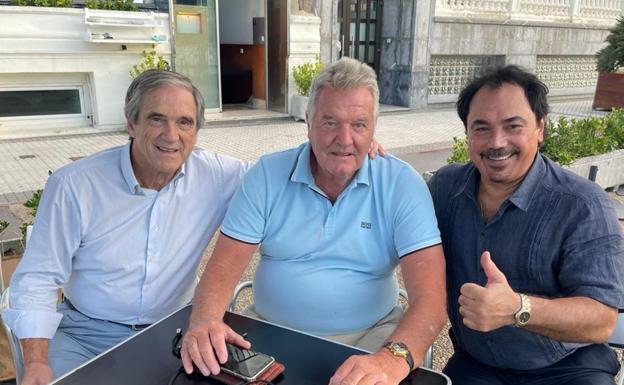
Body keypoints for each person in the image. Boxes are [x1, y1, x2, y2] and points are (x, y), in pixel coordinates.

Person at [180, 57, 447, 385]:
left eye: (359, 125)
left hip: (372, 340)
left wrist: (393, 358)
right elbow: (221, 270)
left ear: (374, 128)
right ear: (308, 122)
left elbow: (431, 301)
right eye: (330, 122)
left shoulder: (402, 184)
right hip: (268, 334)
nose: (344, 138)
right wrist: (205, 319)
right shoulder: (266, 175)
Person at [2, 70, 251, 385]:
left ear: (197, 131)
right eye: (157, 119)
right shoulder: (75, 185)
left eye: (184, 122)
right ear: (131, 123)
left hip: (175, 330)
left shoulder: (219, 175)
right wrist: (36, 362)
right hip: (85, 335)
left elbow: (279, 181)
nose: (171, 135)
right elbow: (38, 277)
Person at [427, 65, 624, 384]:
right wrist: (365, 158)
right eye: (481, 128)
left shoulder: (583, 205)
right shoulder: (445, 189)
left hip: (567, 367)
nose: (496, 142)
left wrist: (517, 308)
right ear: (467, 134)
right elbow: (391, 222)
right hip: (477, 366)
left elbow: (601, 321)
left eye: (512, 126)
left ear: (540, 128)